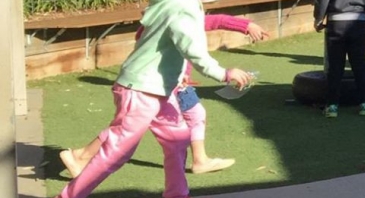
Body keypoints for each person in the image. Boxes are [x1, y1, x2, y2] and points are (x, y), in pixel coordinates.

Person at [42, 0, 252, 198]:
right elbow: (192, 50)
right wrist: (225, 73)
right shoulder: (182, 4)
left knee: (178, 136)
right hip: (140, 89)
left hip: (155, 89)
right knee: (117, 152)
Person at [59, 13, 269, 179]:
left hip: (171, 85)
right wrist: (215, 74)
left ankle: (199, 160)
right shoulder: (169, 21)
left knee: (193, 114)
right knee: (127, 130)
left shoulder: (176, 16)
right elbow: (167, 56)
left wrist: (246, 25)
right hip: (157, 87)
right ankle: (80, 156)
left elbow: (214, 21)